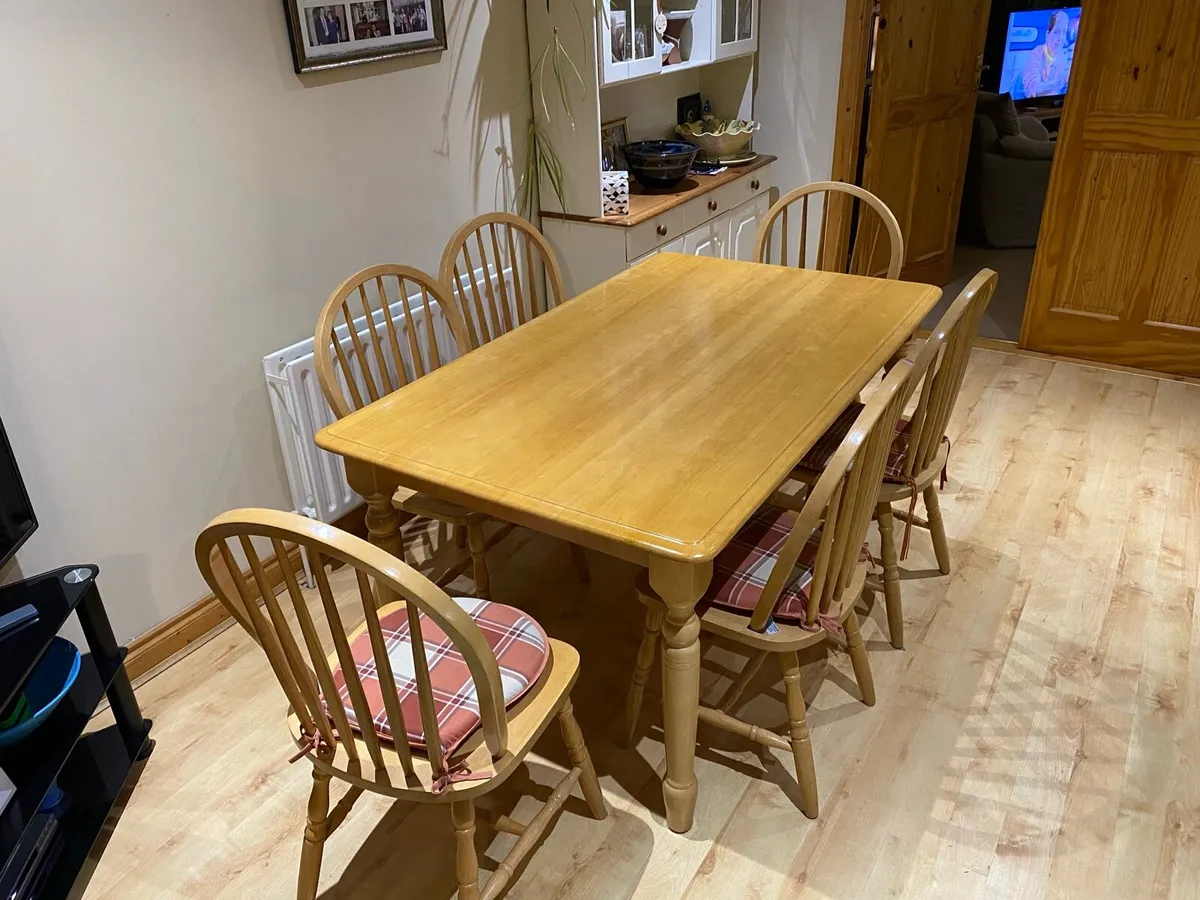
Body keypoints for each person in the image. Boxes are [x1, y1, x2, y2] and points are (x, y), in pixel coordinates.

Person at [1021, 10, 1070, 99]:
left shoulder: (1063, 57)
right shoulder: (1035, 54)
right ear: (1047, 35)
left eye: (1064, 32)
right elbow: (1034, 91)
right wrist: (1059, 82)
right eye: (1056, 32)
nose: (1060, 38)